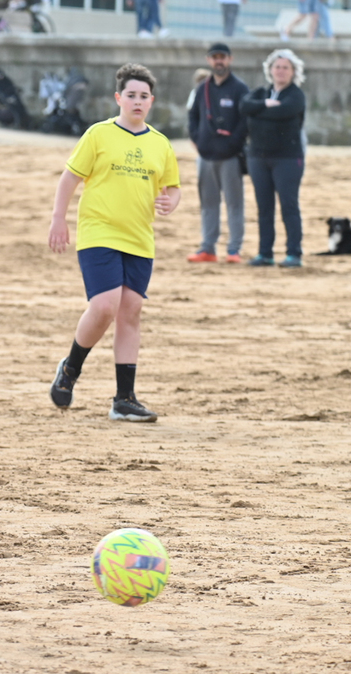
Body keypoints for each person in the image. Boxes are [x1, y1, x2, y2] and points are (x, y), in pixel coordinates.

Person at [47, 63, 181, 423]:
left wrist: (171, 201)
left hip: (139, 237)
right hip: (99, 232)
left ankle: (124, 399)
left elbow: (173, 187)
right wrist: (58, 218)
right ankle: (70, 369)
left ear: (151, 101)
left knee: (130, 310)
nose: (137, 101)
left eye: (144, 96)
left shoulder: (160, 143)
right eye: (131, 95)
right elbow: (69, 178)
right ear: (118, 98)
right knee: (105, 306)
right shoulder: (99, 134)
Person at [241, 48, 307, 268]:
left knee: (289, 205)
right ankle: (265, 253)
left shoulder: (296, 95)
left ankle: (294, 253)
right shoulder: (261, 93)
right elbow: (244, 106)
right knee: (264, 208)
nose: (281, 71)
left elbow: (284, 112)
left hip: (287, 158)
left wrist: (258, 113)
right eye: (277, 66)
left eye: (285, 67)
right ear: (269, 69)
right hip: (258, 158)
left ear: (293, 71)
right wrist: (264, 105)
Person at [187, 42, 249, 264]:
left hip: (230, 157)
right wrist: (198, 140)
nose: (219, 61)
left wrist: (233, 143)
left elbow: (245, 121)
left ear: (230, 59)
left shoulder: (240, 89)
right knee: (208, 204)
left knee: (234, 204)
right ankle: (208, 248)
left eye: (222, 57)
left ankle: (234, 250)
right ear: (209, 60)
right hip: (206, 156)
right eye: (215, 57)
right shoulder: (201, 89)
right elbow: (192, 117)